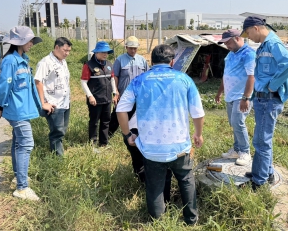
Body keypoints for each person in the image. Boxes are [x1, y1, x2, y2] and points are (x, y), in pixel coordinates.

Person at [116, 44, 205, 225]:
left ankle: (158, 221)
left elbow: (121, 109)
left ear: (151, 61)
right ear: (172, 61)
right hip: (179, 145)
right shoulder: (184, 79)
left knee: (155, 185)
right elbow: (198, 112)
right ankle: (191, 220)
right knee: (186, 180)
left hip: (150, 148)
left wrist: (127, 135)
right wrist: (198, 134)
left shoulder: (140, 80)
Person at [241, 16, 288, 189]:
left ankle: (259, 181)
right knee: (263, 140)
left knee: (261, 141)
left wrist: (273, 85)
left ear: (256, 28)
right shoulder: (264, 45)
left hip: (269, 100)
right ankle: (266, 171)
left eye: (249, 33)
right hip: (262, 99)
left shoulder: (273, 44)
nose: (249, 37)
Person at [0, 26, 42, 201]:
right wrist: (0, 105)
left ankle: (18, 175)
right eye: (29, 40)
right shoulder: (10, 61)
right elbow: (3, 87)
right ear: (19, 43)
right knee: (27, 144)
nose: (31, 44)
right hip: (16, 110)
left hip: (22, 109)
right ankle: (22, 188)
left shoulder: (23, 59)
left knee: (18, 143)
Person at [109, 36, 149, 180]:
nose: (133, 50)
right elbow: (116, 77)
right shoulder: (120, 60)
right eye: (131, 48)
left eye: (135, 48)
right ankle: (107, 136)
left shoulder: (142, 60)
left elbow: (146, 76)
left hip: (139, 96)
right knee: (117, 116)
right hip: (124, 96)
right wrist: (116, 92)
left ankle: (134, 134)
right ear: (126, 47)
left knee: (136, 118)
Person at [215, 29, 255, 166]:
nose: (227, 46)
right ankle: (237, 149)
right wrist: (220, 92)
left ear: (237, 38)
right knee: (233, 123)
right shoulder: (230, 55)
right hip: (230, 96)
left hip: (241, 96)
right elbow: (226, 75)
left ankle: (245, 152)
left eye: (228, 42)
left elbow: (252, 77)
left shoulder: (248, 54)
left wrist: (246, 97)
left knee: (238, 122)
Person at [34, 37, 72, 156]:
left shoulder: (62, 61)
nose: (67, 53)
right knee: (57, 132)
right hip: (54, 103)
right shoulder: (46, 62)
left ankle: (57, 151)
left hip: (65, 102)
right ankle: (57, 158)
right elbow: (38, 81)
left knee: (62, 130)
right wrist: (43, 102)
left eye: (69, 51)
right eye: (65, 50)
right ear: (56, 47)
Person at [80, 41, 117, 147]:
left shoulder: (109, 64)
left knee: (106, 121)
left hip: (107, 98)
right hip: (95, 99)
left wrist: (114, 93)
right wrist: (90, 96)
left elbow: (112, 79)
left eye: (107, 52)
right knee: (94, 121)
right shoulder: (89, 65)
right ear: (96, 53)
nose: (105, 54)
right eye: (102, 52)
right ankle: (93, 142)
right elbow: (83, 82)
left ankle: (104, 143)